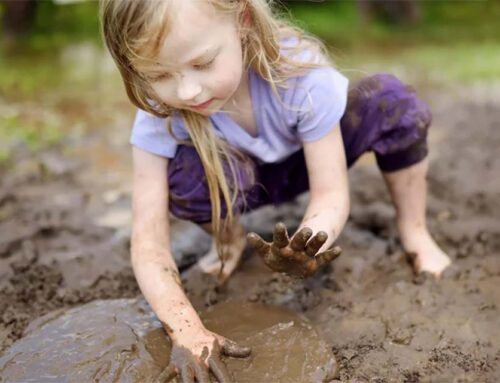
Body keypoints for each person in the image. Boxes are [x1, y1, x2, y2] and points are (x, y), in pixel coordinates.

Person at [100, 0, 451, 380]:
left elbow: (331, 195)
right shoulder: (160, 115)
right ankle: (228, 240)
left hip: (313, 155)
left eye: (202, 64)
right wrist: (186, 330)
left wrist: (309, 239)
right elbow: (149, 242)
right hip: (235, 178)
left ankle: (415, 231)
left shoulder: (299, 71)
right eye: (159, 74)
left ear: (244, 21)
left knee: (394, 103)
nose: (187, 91)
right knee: (179, 175)